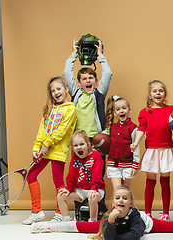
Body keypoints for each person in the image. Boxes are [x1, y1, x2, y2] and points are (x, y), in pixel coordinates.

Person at [30, 185, 173, 238]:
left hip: (147, 225)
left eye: (125, 198)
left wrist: (116, 235)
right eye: (118, 198)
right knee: (84, 227)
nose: (121, 201)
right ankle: (46, 226)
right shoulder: (110, 215)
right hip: (116, 222)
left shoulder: (136, 215)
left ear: (131, 203)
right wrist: (110, 223)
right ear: (113, 203)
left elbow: (134, 235)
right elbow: (93, 231)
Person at [130, 80, 173, 221]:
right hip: (151, 149)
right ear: (150, 95)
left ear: (165, 94)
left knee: (164, 181)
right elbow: (141, 129)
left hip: (166, 149)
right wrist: (136, 143)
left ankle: (165, 213)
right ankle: (148, 213)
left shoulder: (171, 110)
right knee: (150, 181)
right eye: (155, 91)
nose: (158, 93)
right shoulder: (145, 112)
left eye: (161, 91)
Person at [23, 76, 77, 225]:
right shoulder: (50, 109)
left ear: (66, 90)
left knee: (58, 181)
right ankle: (36, 211)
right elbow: (42, 130)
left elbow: (62, 130)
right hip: (44, 150)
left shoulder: (71, 109)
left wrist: (47, 143)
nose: (56, 92)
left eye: (58, 89)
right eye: (52, 90)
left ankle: (61, 212)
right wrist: (37, 147)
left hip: (58, 150)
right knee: (31, 174)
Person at [63, 37, 112, 178]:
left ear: (96, 81)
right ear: (78, 83)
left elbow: (108, 74)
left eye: (91, 78)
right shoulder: (76, 92)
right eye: (84, 79)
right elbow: (67, 73)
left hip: (96, 137)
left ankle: (98, 198)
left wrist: (101, 55)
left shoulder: (99, 92)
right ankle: (80, 200)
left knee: (98, 170)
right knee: (79, 170)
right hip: (79, 138)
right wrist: (74, 54)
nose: (88, 80)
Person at [57, 130, 105, 222]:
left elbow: (97, 175)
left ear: (88, 144)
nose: (79, 147)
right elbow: (71, 175)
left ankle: (92, 221)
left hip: (97, 189)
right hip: (81, 190)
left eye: (81, 144)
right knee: (60, 195)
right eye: (75, 145)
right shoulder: (74, 158)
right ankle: (65, 220)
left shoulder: (95, 155)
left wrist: (94, 188)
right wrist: (68, 188)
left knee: (92, 197)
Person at [104, 95, 140, 190]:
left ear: (129, 110)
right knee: (117, 190)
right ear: (115, 113)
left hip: (128, 164)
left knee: (125, 190)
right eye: (118, 109)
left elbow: (136, 147)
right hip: (113, 164)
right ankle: (115, 205)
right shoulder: (111, 127)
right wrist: (95, 145)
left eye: (124, 108)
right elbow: (101, 139)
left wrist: (135, 165)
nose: (122, 111)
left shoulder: (133, 128)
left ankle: (128, 205)